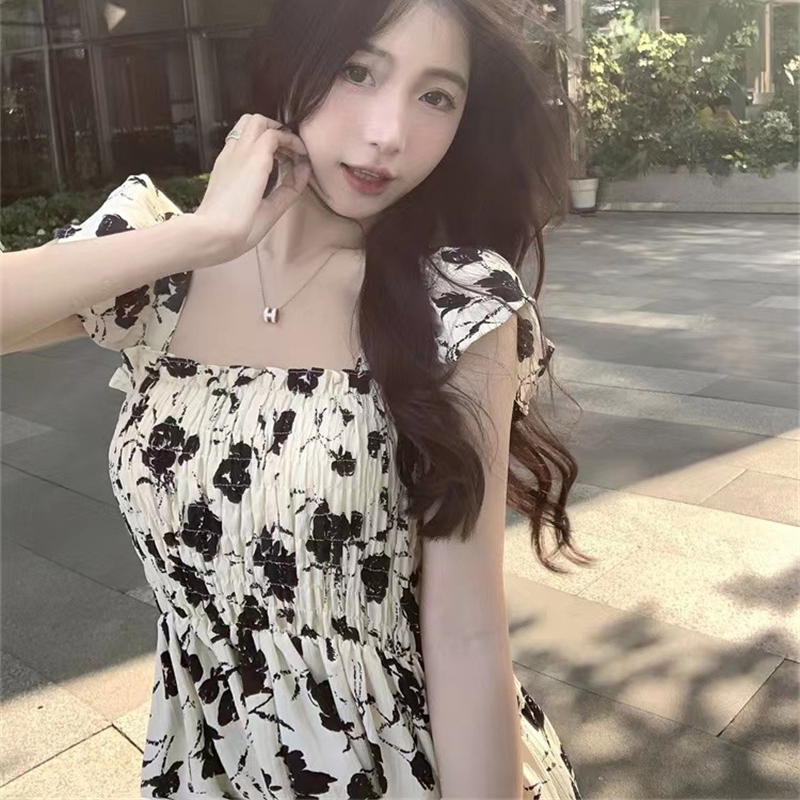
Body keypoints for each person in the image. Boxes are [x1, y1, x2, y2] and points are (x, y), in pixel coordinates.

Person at [1, 0, 594, 797]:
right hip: (211, 761)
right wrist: (205, 236)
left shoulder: (455, 301)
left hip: (393, 765)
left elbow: (466, 634)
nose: (388, 133)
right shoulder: (159, 267)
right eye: (358, 71)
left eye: (436, 96)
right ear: (290, 64)